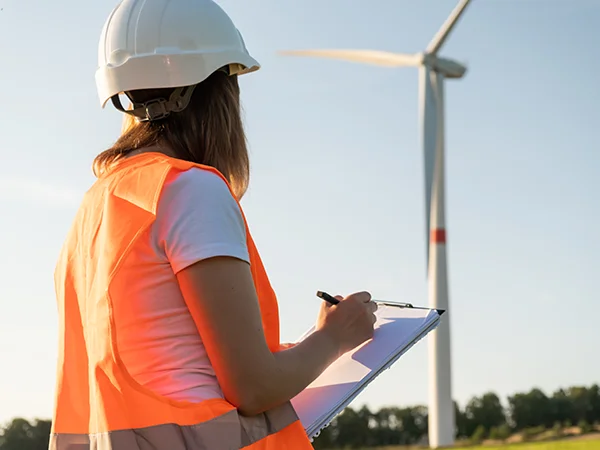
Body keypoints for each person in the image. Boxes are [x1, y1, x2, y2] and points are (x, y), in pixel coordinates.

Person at [49, 1, 377, 449]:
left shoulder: (97, 206)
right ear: (214, 90)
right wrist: (335, 337)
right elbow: (253, 386)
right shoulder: (189, 189)